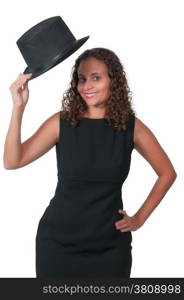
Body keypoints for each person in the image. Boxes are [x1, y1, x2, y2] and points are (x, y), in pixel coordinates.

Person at [4, 47, 177, 278]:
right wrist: (18, 108)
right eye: (81, 79)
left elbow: (167, 173)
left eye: (96, 78)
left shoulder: (131, 128)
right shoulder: (61, 123)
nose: (86, 86)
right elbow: (12, 161)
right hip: (58, 245)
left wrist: (139, 219)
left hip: (110, 247)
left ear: (113, 80)